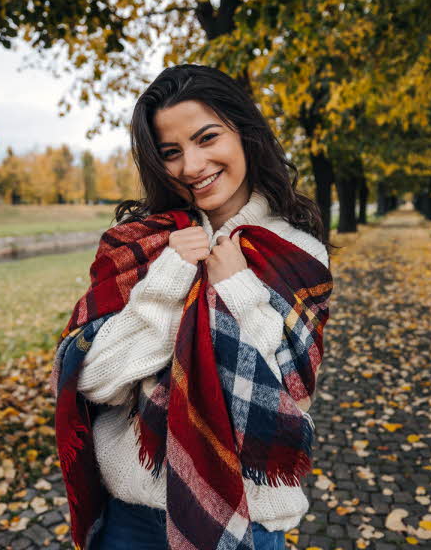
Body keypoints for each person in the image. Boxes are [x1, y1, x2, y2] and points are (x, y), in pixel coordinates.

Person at [57, 64, 333, 550]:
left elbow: (293, 395)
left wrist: (238, 292)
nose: (192, 165)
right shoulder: (143, 245)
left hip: (249, 524)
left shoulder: (298, 252)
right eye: (171, 152)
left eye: (207, 138)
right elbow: (95, 379)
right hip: (134, 521)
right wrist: (169, 281)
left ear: (244, 133)